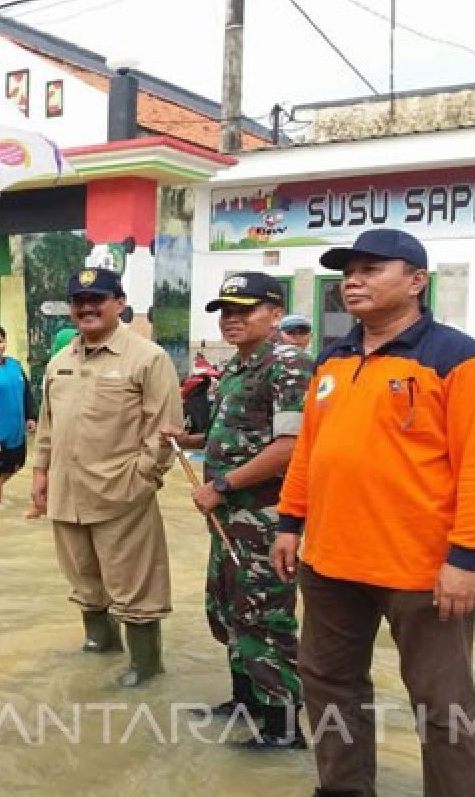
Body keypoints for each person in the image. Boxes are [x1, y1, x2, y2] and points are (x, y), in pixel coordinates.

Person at [271, 229, 475, 797]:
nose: (354, 279)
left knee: (443, 704)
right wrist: (288, 522)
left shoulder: (461, 360)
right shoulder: (332, 359)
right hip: (329, 563)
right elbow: (310, 449)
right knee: (329, 686)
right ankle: (344, 789)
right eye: (349, 270)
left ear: (416, 281)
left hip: (423, 572)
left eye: (373, 268)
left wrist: (466, 559)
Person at [163, 272, 313, 750]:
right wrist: (189, 440)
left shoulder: (288, 365)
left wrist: (223, 485)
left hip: (265, 518)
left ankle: (282, 728)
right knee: (227, 607)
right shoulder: (237, 366)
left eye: (244, 310)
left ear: (274, 313)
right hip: (228, 517)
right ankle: (245, 700)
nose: (232, 319)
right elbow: (239, 434)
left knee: (264, 616)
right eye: (226, 310)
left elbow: (290, 447)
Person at [31, 267, 183, 684]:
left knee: (134, 582)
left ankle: (145, 665)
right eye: (79, 301)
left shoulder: (148, 358)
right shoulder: (59, 361)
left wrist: (141, 479)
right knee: (82, 576)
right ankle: (101, 643)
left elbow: (165, 429)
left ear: (120, 303)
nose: (87, 308)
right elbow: (47, 425)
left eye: (98, 299)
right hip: (67, 490)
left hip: (122, 492)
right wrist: (40, 473)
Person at [0, 324, 37, 509]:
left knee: (17, 465)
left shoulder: (15, 365)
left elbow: (27, 393)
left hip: (16, 430)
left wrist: (31, 417)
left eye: (0, 341)